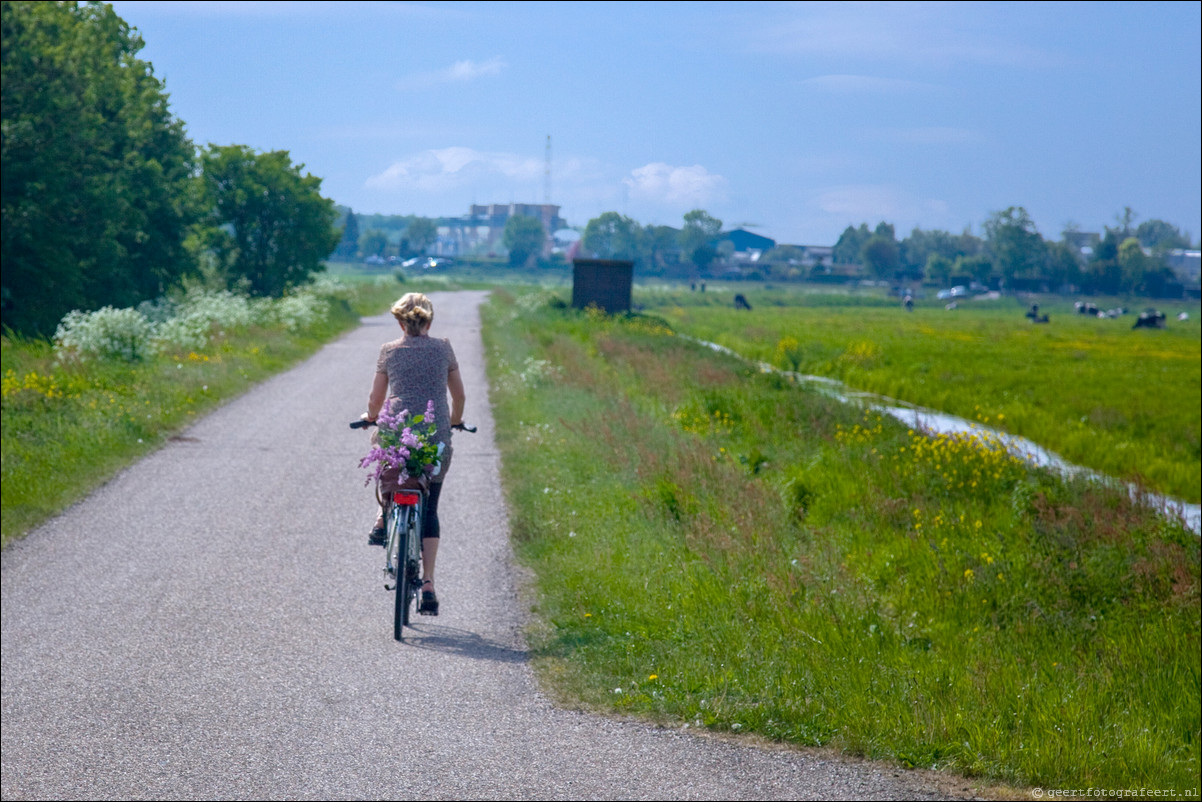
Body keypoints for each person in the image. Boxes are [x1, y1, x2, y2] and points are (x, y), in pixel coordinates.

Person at [364, 292, 465, 615]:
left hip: (397, 432)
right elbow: (459, 396)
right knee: (430, 507)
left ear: (399, 321)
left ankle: (382, 518)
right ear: (429, 321)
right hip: (435, 437)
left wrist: (369, 418)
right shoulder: (443, 348)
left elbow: (375, 401)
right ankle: (429, 584)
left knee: (385, 464)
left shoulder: (389, 352)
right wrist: (455, 422)